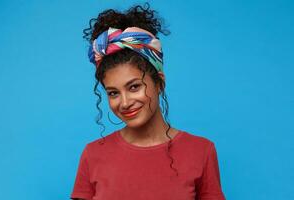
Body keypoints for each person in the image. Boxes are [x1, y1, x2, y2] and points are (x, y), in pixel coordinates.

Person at [71, 3, 225, 200]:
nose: (124, 102)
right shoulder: (92, 155)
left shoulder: (201, 151)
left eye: (134, 87)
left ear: (159, 83)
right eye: (113, 93)